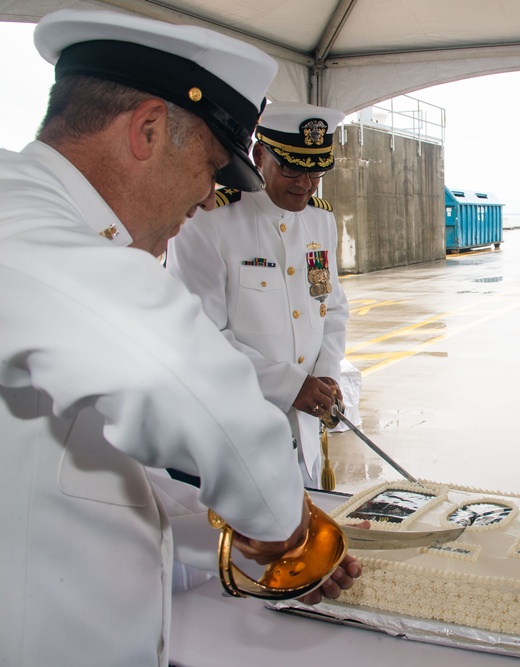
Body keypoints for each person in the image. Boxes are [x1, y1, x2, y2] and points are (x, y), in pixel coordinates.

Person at [0, 9, 360, 666]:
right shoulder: (20, 224)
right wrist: (287, 525)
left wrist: (241, 534)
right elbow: (182, 378)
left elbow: (101, 466)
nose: (203, 201)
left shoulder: (51, 224)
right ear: (147, 129)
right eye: (210, 167)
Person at [167, 101, 350, 486]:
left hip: (304, 435)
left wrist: (326, 375)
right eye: (292, 167)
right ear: (259, 153)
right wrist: (289, 385)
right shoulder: (210, 222)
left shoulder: (321, 221)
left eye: (316, 171)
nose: (305, 182)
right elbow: (200, 336)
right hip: (235, 436)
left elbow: (332, 309)